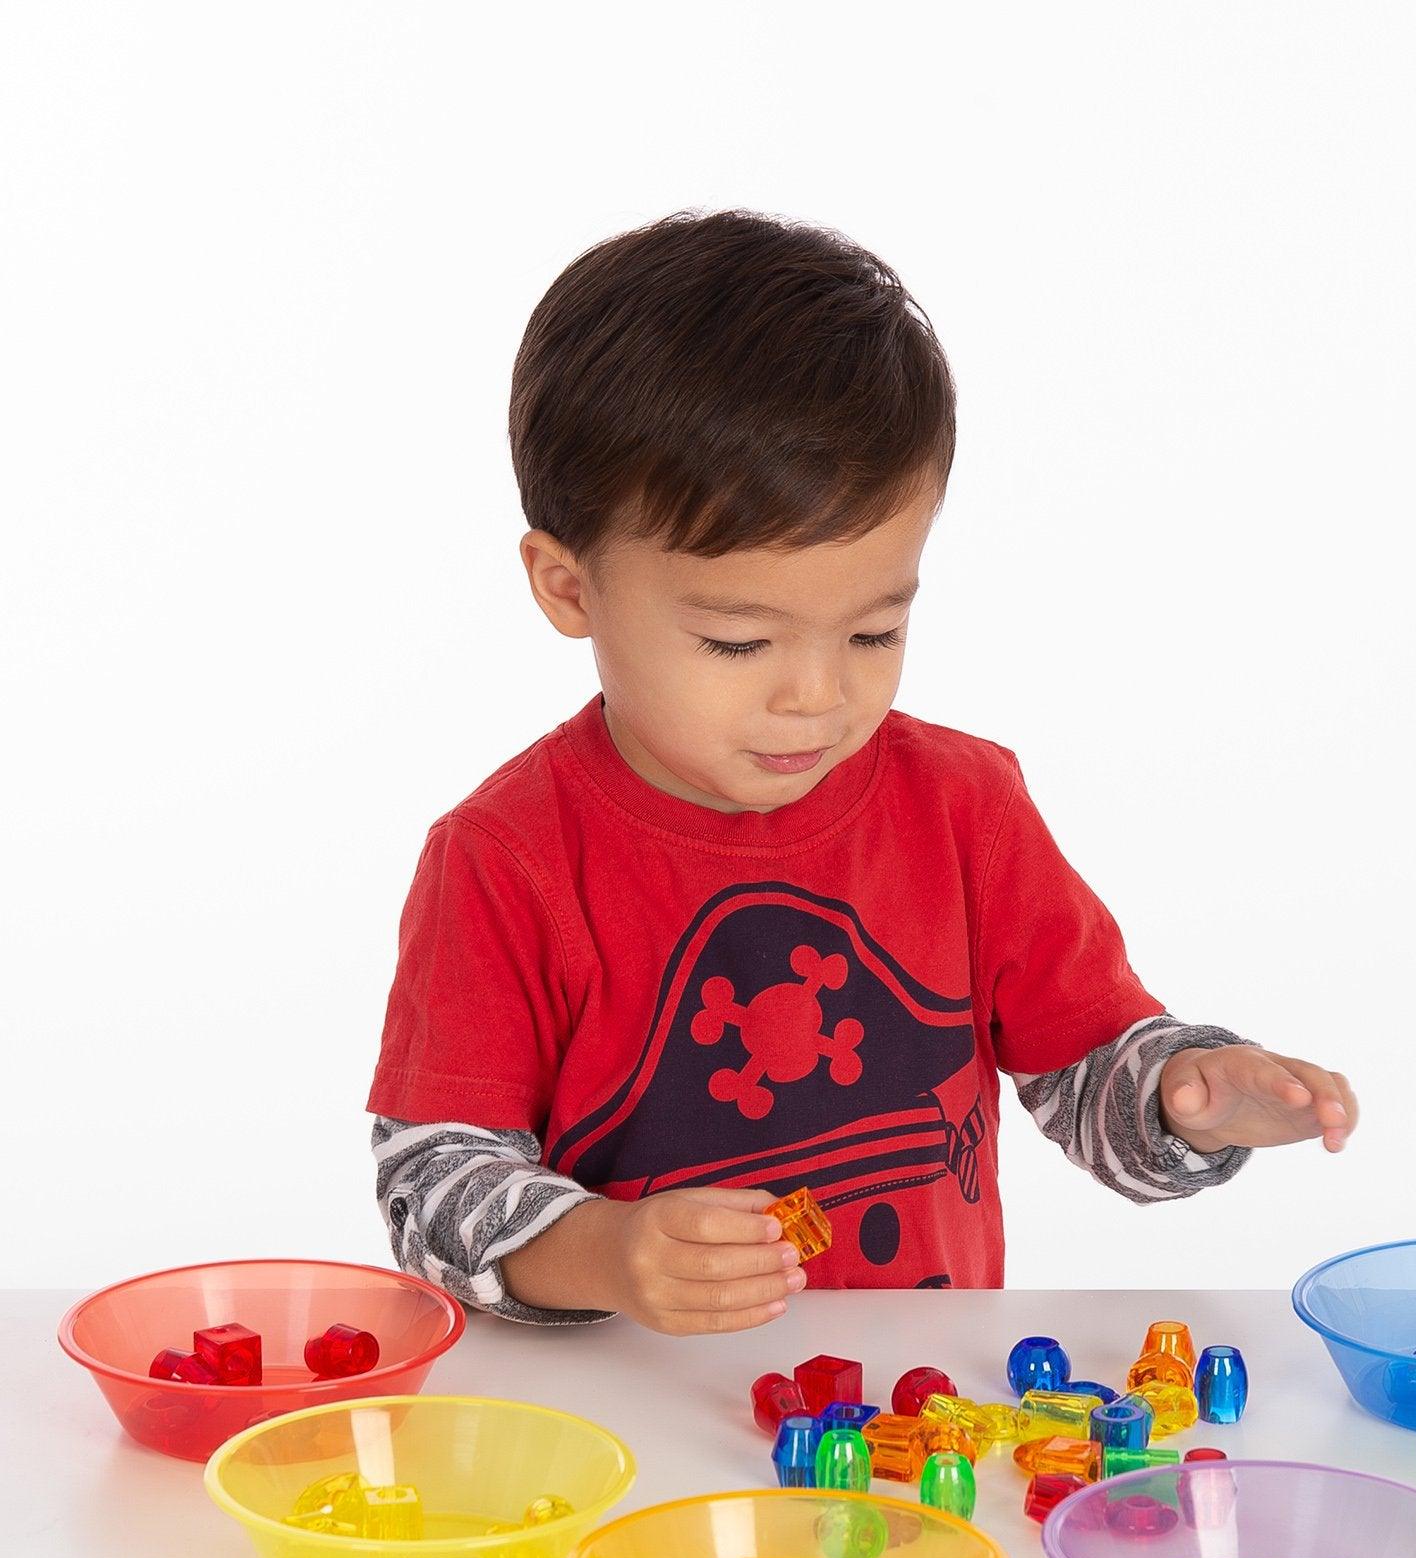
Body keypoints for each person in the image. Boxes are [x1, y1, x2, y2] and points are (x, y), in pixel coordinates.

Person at [367, 210, 1357, 1335]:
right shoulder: (504, 859)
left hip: (913, 1402)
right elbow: (433, 1182)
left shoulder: (964, 810)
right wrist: (606, 1252)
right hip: (634, 1409)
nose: (817, 695)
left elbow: (1086, 1076)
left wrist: (1189, 1098)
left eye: (874, 631)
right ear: (568, 587)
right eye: (739, 642)